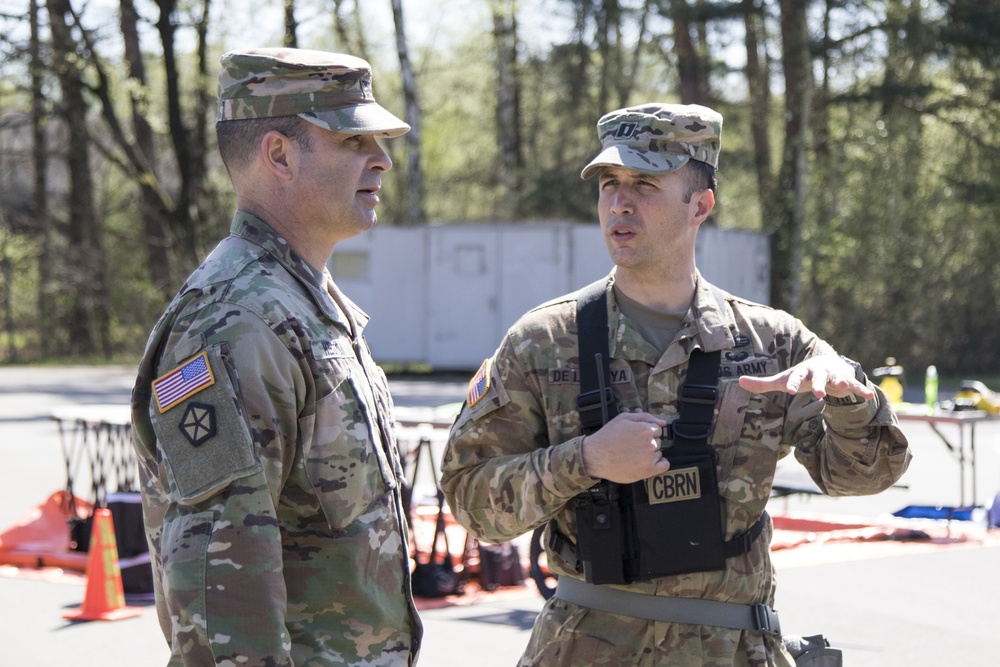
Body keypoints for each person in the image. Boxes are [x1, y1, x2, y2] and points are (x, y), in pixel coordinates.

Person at [439, 103, 912, 666]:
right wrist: (586, 458)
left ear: (701, 205)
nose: (620, 202)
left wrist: (848, 404)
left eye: (644, 183)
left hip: (732, 649)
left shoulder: (772, 344)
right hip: (586, 648)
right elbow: (471, 501)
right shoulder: (544, 341)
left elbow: (866, 478)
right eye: (610, 183)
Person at [131, 48, 421, 666]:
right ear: (279, 155)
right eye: (353, 139)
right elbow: (217, 585)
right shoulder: (237, 322)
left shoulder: (301, 304)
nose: (383, 160)